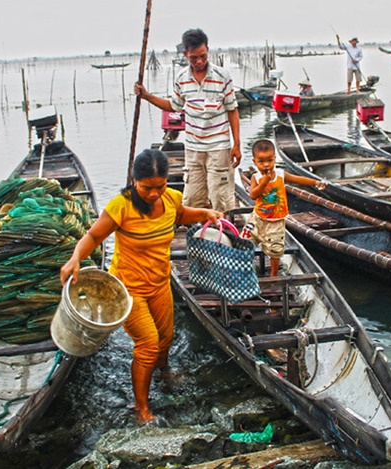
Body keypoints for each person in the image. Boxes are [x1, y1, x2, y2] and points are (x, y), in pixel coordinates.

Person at [60, 149, 222, 425]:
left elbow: (180, 216)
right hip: (129, 288)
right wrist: (75, 257)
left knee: (166, 337)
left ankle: (163, 371)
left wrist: (205, 212)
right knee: (148, 344)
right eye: (148, 188)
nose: (154, 194)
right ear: (135, 180)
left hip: (160, 282)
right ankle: (141, 408)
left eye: (160, 186)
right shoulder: (121, 206)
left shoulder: (171, 198)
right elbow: (93, 235)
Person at [134, 28, 241, 214]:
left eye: (203, 56)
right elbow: (174, 106)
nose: (199, 61)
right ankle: (199, 236)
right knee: (191, 199)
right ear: (185, 54)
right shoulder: (181, 78)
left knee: (221, 198)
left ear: (207, 50)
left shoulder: (222, 76)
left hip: (219, 147)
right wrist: (146, 96)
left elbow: (232, 110)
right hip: (193, 148)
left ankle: (225, 235)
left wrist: (237, 144)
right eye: (193, 58)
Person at [243, 139, 326, 276]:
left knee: (275, 250)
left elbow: (297, 179)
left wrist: (315, 182)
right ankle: (245, 269)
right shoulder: (256, 177)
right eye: (261, 162)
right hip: (257, 218)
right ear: (254, 162)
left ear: (275, 159)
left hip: (276, 222)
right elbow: (253, 195)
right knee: (245, 242)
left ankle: (274, 274)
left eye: (270, 160)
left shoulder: (281, 174)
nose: (266, 165)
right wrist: (263, 183)